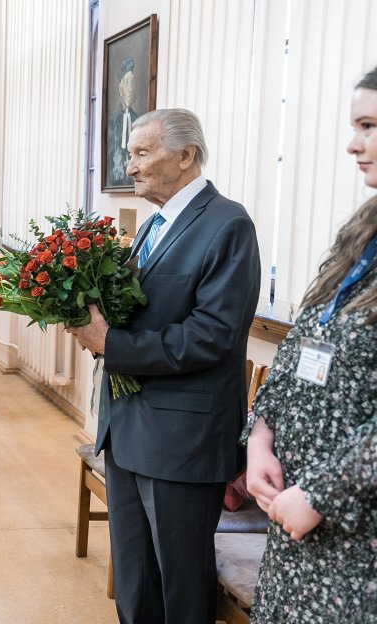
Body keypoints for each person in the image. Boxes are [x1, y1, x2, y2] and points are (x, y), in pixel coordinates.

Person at [70, 108, 261, 623]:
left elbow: (213, 336)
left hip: (182, 440)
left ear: (185, 155)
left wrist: (113, 344)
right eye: (129, 154)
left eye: (141, 153)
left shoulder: (228, 225)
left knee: (180, 587)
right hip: (129, 429)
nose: (130, 167)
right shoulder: (153, 225)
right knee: (135, 583)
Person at [243, 67, 377, 622]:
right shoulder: (362, 232)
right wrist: (261, 440)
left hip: (356, 541)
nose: (353, 143)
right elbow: (300, 347)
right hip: (296, 523)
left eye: (368, 126)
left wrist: (322, 494)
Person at [105, 57, 137, 187]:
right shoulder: (112, 122)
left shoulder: (138, 121)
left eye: (132, 82)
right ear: (120, 88)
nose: (129, 89)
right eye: (126, 82)